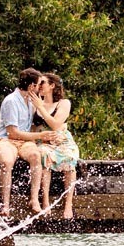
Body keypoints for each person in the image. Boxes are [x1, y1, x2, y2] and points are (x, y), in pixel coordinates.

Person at [0, 68, 62, 217]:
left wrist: (50, 134)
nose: (40, 88)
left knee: (36, 156)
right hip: (8, 140)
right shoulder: (11, 101)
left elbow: (37, 123)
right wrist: (40, 136)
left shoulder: (31, 102)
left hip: (24, 142)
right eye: (38, 85)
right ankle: (5, 205)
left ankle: (34, 199)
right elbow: (12, 133)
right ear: (31, 86)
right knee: (6, 161)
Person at [28, 72, 80, 219]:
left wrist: (41, 107)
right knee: (44, 155)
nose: (39, 86)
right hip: (42, 140)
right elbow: (32, 126)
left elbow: (56, 124)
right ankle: (45, 201)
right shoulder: (35, 104)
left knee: (70, 157)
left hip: (61, 138)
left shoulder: (64, 103)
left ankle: (68, 203)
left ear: (52, 85)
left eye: (42, 83)